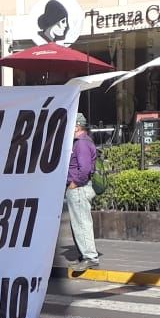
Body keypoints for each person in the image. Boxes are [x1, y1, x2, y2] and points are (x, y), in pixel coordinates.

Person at [66, 113, 99, 271]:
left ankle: (90, 257)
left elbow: (84, 168)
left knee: (82, 222)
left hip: (79, 188)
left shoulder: (81, 144)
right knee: (78, 223)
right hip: (78, 188)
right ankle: (84, 255)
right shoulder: (80, 142)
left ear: (77, 126)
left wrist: (74, 183)